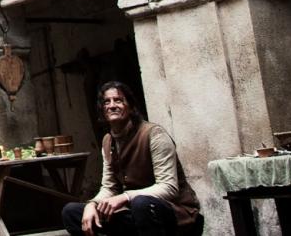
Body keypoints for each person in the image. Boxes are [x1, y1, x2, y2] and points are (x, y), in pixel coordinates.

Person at [61, 82, 201, 236]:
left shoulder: (154, 134)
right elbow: (110, 187)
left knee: (141, 203)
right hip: (135, 213)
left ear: (131, 107)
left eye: (118, 100)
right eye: (107, 102)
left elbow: (168, 187)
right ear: (102, 110)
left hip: (173, 213)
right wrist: (92, 204)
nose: (112, 106)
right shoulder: (108, 141)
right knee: (72, 212)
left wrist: (125, 197)